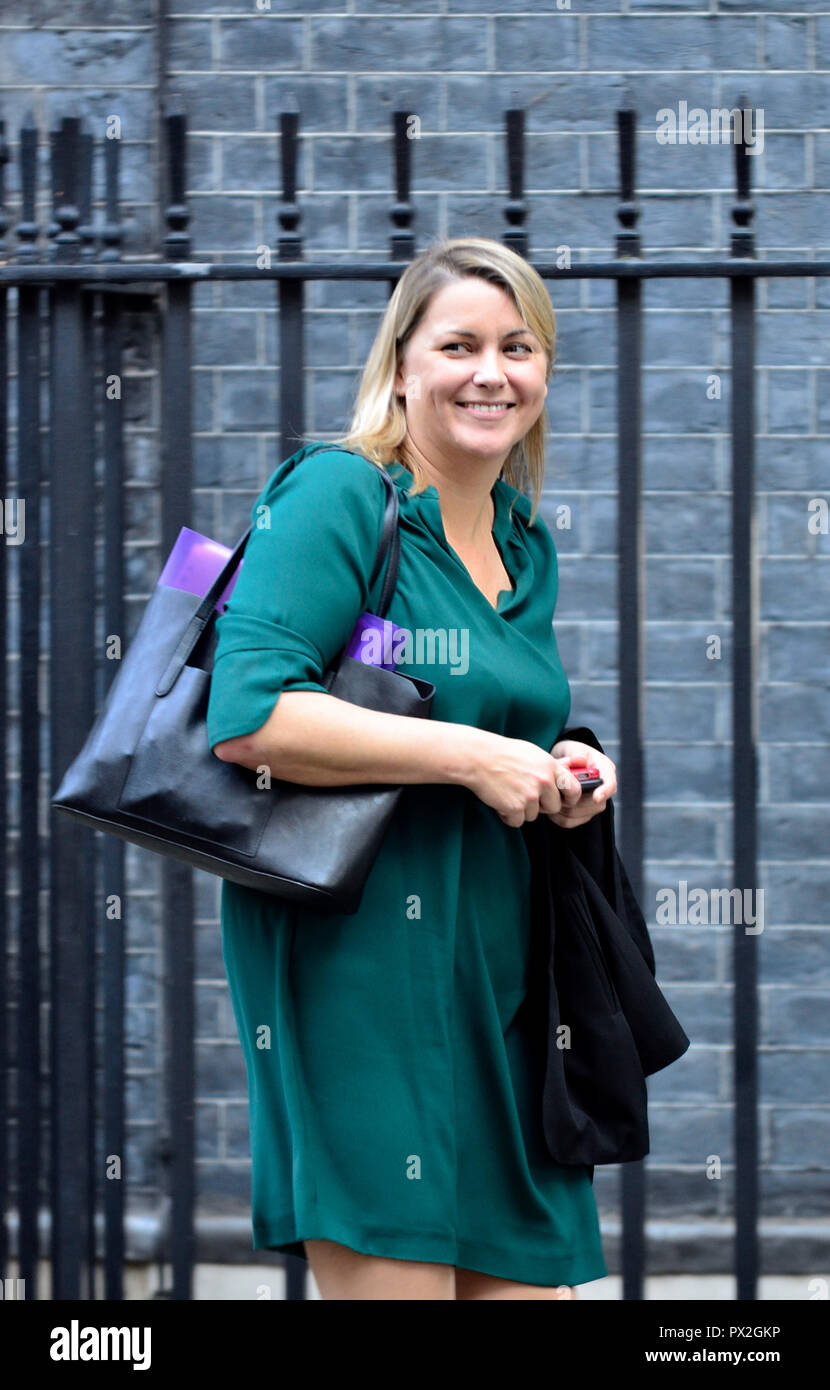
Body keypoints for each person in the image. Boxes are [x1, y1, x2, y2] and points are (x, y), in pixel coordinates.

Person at [207, 236, 618, 1301]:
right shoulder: (339, 495)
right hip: (358, 973)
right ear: (402, 366)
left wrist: (559, 767)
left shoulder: (522, 542)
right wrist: (473, 755)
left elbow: (484, 712)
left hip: (501, 979)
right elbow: (249, 713)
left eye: (517, 346)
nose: (492, 372)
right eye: (460, 345)